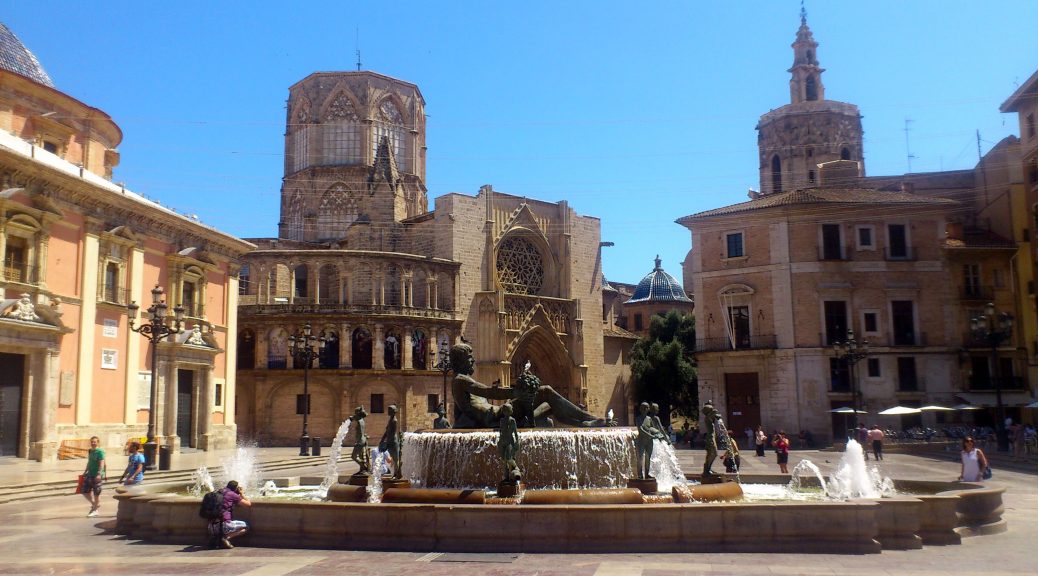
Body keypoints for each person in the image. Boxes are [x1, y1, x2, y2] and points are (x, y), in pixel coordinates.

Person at [450, 343, 611, 428]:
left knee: (549, 405)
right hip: (497, 417)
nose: (472, 360)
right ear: (460, 360)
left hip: (499, 415)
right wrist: (517, 393)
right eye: (469, 357)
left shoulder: (461, 382)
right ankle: (591, 418)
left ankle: (583, 423)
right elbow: (488, 392)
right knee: (546, 391)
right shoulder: (461, 380)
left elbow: (469, 407)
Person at [208, 480, 252, 549]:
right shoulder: (232, 494)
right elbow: (248, 504)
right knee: (246, 526)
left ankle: (216, 537)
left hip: (211, 527)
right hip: (224, 525)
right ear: (236, 488)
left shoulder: (218, 492)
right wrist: (242, 493)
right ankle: (225, 537)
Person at [81, 436, 105, 517]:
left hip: (97, 475)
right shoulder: (90, 451)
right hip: (90, 474)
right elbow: (89, 462)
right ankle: (95, 504)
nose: (93, 443)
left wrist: (99, 473)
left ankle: (95, 510)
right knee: (84, 491)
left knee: (96, 493)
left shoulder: (100, 451)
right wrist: (85, 472)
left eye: (95, 442)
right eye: (92, 442)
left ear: (98, 442)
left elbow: (102, 462)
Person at [497, 402, 521, 482]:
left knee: (509, 458)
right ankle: (506, 477)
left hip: (509, 441)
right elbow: (500, 432)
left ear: (510, 411)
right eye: (505, 411)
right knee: (504, 460)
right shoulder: (502, 420)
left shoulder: (512, 420)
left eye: (507, 410)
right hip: (503, 441)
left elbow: (515, 432)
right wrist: (499, 442)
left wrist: (517, 441)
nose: (506, 412)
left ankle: (516, 466)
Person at [378, 404, 402, 479]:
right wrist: (382, 439)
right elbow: (387, 431)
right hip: (390, 441)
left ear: (393, 411)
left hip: (393, 441)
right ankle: (395, 474)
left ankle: (397, 474)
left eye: (389, 410)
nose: (388, 411)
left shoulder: (394, 420)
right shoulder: (390, 419)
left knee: (395, 459)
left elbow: (392, 432)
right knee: (393, 459)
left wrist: (387, 442)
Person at [350, 406, 369, 474]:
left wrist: (358, 442)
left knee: (353, 456)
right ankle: (362, 470)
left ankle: (363, 465)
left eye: (355, 413)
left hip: (360, 441)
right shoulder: (362, 420)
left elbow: (360, 432)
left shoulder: (359, 421)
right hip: (363, 440)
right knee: (360, 456)